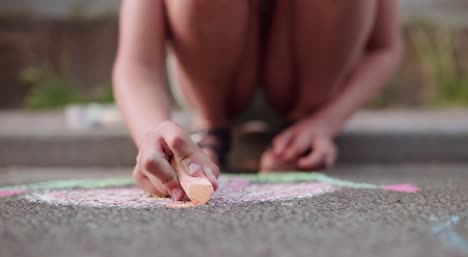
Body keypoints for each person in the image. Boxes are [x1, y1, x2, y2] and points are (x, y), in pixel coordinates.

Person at [112, 0, 403, 201]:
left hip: (309, 92)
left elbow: (385, 48)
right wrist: (153, 134)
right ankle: (211, 132)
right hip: (211, 90)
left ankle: (297, 135)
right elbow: (137, 64)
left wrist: (324, 123)